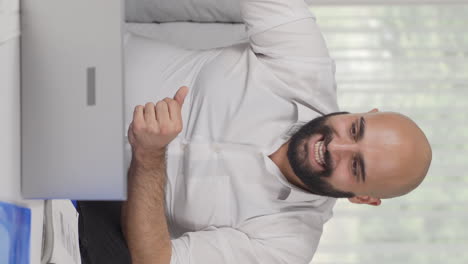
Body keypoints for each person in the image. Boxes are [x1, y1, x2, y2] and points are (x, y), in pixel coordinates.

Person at [78, 0, 432, 263]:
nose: (335, 147)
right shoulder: (305, 64)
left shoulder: (287, 245)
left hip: (74, 176)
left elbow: (155, 260)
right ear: (364, 112)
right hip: (82, 54)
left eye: (355, 167)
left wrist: (150, 157)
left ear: (363, 198)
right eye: (355, 130)